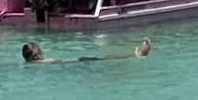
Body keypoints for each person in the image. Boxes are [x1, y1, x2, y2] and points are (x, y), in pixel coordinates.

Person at [22, 37, 151, 63]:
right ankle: (136, 54)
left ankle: (136, 54)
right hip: (72, 61)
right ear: (38, 55)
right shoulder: (44, 62)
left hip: (70, 61)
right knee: (102, 58)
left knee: (100, 58)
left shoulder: (34, 64)